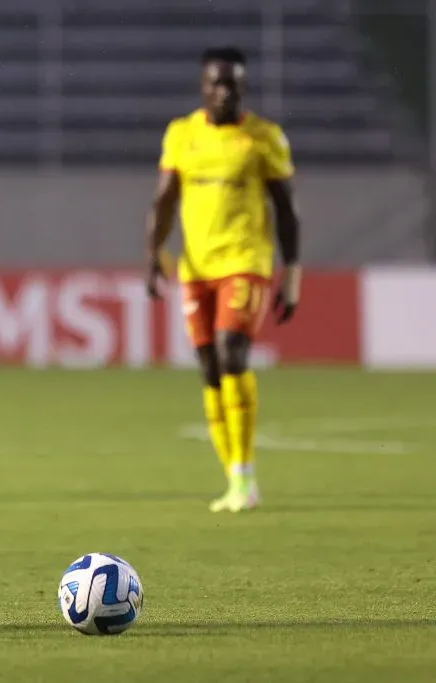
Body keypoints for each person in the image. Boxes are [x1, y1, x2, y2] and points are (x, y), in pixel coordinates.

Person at [145, 47, 301, 513]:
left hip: (246, 260)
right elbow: (164, 200)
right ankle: (233, 474)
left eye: (233, 84)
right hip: (196, 268)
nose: (224, 91)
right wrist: (153, 253)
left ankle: (246, 474)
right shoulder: (181, 134)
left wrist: (291, 275)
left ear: (244, 88)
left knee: (233, 353)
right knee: (209, 367)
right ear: (202, 87)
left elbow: (288, 211)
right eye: (216, 83)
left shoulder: (264, 138)